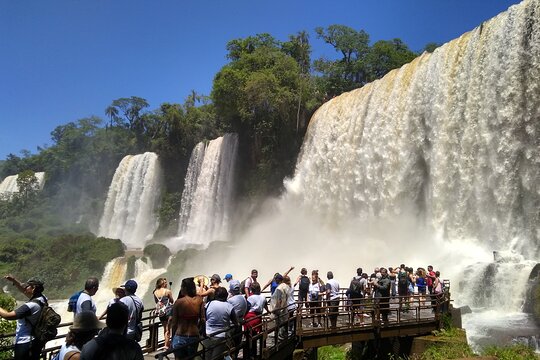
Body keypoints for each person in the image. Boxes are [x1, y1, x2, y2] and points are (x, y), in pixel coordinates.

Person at [1, 275, 48, 359]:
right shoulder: (43, 299)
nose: (25, 287)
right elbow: (24, 290)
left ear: (33, 288)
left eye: (28, 286)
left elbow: (7, 316)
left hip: (25, 343)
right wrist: (14, 280)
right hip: (35, 341)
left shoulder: (30, 306)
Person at [169, 277, 204, 360]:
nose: (180, 288)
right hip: (194, 335)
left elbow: (174, 323)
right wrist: (201, 332)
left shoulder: (178, 302)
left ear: (185, 288)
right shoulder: (200, 300)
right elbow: (203, 320)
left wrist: (172, 338)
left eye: (181, 286)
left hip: (180, 336)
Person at [203, 287, 239, 360]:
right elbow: (235, 322)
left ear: (216, 295)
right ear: (226, 296)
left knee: (207, 356)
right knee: (217, 357)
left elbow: (204, 318)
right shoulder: (229, 306)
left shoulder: (208, 304)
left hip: (208, 334)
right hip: (221, 335)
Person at [244, 282, 268, 358]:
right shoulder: (263, 297)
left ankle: (249, 354)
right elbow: (265, 305)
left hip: (250, 317)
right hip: (258, 317)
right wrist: (268, 311)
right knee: (256, 335)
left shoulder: (250, 298)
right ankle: (256, 353)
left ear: (252, 289)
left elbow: (247, 308)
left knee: (249, 336)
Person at [227, 280, 247, 358]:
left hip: (232, 325)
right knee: (237, 343)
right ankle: (235, 356)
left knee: (230, 345)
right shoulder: (243, 298)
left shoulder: (230, 300)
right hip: (240, 323)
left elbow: (227, 312)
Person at [153, 277, 174, 349]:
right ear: (162, 283)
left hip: (161, 312)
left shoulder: (155, 292)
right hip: (168, 311)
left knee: (165, 328)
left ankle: (166, 344)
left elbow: (157, 302)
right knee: (169, 328)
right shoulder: (167, 291)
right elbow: (172, 301)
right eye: (165, 282)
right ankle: (167, 345)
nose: (166, 283)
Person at [269, 274, 290, 339]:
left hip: (279, 309)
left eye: (276, 279)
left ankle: (278, 337)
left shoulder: (279, 288)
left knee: (278, 323)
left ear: (278, 279)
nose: (275, 280)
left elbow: (279, 300)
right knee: (284, 321)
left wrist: (276, 309)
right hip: (285, 307)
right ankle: (284, 335)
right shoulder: (286, 286)